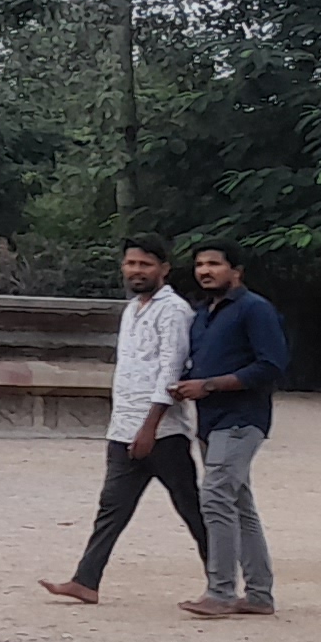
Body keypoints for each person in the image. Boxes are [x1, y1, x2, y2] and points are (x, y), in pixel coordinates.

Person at [42, 237, 203, 605]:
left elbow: (171, 368)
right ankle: (86, 580)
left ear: (164, 269)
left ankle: (223, 580)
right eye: (131, 264)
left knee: (190, 506)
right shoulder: (132, 309)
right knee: (111, 509)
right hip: (124, 428)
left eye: (145, 265)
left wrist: (149, 426)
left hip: (162, 431)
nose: (136, 271)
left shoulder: (173, 310)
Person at [176, 240, 291, 619]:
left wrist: (209, 385)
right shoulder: (204, 313)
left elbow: (271, 365)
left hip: (241, 419)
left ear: (236, 271)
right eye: (200, 264)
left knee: (215, 498)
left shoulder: (255, 310)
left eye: (214, 264)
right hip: (212, 422)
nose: (205, 271)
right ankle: (259, 594)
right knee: (239, 503)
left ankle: (221, 591)